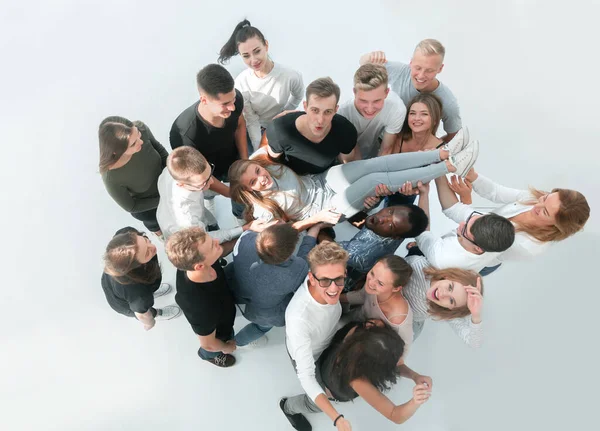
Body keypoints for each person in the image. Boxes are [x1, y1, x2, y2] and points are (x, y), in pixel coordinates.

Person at [229, 137, 479, 230]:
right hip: (326, 208)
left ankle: (441, 154)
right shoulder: (262, 208)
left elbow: (276, 133)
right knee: (375, 180)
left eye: (258, 171)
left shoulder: (258, 159)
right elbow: (285, 231)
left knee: (373, 164)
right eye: (254, 182)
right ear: (248, 190)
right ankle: (449, 167)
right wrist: (315, 220)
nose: (262, 178)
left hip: (322, 181)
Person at [281, 319, 432, 431]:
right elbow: (395, 415)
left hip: (325, 363)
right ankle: (287, 407)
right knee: (315, 404)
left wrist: (414, 376)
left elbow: (393, 365)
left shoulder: (365, 328)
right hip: (326, 384)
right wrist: (415, 401)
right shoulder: (357, 380)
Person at [448, 168, 590, 274]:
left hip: (476, 258)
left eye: (545, 212)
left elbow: (478, 235)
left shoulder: (527, 246)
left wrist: (466, 200)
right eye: (546, 198)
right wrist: (472, 176)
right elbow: (496, 192)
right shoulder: (536, 199)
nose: (537, 205)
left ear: (556, 226)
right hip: (470, 234)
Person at [282, 242, 352, 431]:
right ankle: (288, 407)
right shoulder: (298, 318)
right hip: (310, 354)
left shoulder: (331, 289)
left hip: (328, 340)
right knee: (321, 399)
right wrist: (337, 419)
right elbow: (306, 376)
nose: (334, 288)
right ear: (311, 278)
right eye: (325, 281)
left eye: (339, 279)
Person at [156, 147, 273, 253]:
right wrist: (244, 228)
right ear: (182, 185)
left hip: (198, 216)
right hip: (189, 238)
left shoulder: (173, 168)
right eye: (204, 183)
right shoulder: (187, 218)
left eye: (209, 172)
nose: (211, 182)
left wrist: (230, 193)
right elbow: (204, 239)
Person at [169, 64, 248, 217]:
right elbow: (197, 174)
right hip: (206, 173)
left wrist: (245, 161)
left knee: (242, 195)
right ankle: (210, 199)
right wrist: (229, 193)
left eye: (232, 100)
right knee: (209, 193)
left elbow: (240, 124)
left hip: (232, 158)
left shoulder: (235, 99)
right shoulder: (185, 134)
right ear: (204, 100)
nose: (232, 107)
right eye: (225, 104)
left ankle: (241, 219)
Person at [226, 223, 322, 345]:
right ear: (290, 252)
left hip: (234, 291)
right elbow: (305, 257)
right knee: (261, 327)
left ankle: (230, 343)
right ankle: (237, 342)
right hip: (263, 313)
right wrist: (315, 228)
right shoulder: (295, 271)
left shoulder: (245, 238)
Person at [218, 19, 304, 152]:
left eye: (257, 51)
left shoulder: (290, 75)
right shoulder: (242, 82)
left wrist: (284, 113)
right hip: (255, 130)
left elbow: (298, 96)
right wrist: (260, 148)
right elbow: (251, 120)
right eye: (246, 56)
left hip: (280, 125)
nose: (253, 60)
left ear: (266, 46)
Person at [401, 179, 516, 272]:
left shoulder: (442, 258)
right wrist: (439, 169)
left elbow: (422, 231)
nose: (461, 224)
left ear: (477, 248)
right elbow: (454, 208)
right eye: (471, 218)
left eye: (465, 229)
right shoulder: (494, 232)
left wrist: (424, 194)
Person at [360, 39, 461, 143]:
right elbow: (363, 64)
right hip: (380, 139)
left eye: (429, 70)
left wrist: (431, 147)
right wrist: (370, 57)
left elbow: (455, 137)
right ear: (411, 62)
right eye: (418, 68)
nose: (421, 75)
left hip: (412, 151)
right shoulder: (401, 72)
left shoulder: (448, 102)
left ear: (440, 68)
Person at [167, 227, 239, 368]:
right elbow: (208, 344)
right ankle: (207, 357)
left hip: (224, 300)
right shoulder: (198, 308)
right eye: (213, 245)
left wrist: (248, 233)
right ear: (200, 266)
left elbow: (220, 252)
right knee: (211, 349)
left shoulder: (197, 262)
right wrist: (225, 347)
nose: (217, 242)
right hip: (220, 332)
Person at [263, 77, 358, 175]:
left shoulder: (345, 131)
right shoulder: (280, 130)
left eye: (328, 112)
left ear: (335, 110)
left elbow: (348, 165)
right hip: (291, 178)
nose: (320, 120)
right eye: (315, 110)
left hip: (327, 178)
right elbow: (271, 163)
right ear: (305, 106)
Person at [99, 116, 168, 237]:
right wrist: (164, 199)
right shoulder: (111, 177)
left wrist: (174, 171)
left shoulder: (141, 128)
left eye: (138, 135)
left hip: (168, 184)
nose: (141, 142)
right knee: (160, 228)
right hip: (149, 209)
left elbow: (159, 149)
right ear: (116, 151)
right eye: (134, 143)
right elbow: (132, 206)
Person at [102, 227, 181, 330]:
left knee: (146, 295)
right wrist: (149, 323)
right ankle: (157, 313)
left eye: (145, 240)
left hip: (117, 284)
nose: (152, 247)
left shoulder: (125, 235)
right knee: (146, 309)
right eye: (147, 252)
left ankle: (151, 292)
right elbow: (142, 314)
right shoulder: (138, 295)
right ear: (136, 267)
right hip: (125, 302)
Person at [403, 254, 484, 347]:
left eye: (451, 300)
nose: (443, 295)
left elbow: (474, 343)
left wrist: (476, 315)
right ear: (447, 276)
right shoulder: (417, 265)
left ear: (450, 308)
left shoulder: (445, 310)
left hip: (410, 322)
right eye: (450, 287)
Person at [342, 256, 414, 358]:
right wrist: (333, 296)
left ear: (396, 288)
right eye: (372, 273)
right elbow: (361, 296)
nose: (371, 282)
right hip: (352, 319)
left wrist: (413, 375)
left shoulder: (398, 321)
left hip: (360, 344)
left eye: (380, 283)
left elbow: (400, 355)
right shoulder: (373, 286)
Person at [385, 93, 449, 207]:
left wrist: (414, 189)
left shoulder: (440, 149)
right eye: (412, 113)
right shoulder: (398, 136)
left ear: (434, 120)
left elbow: (433, 182)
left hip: (407, 192)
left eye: (424, 114)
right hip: (385, 183)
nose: (416, 118)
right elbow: (386, 166)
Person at [337, 63, 406, 161]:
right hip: (343, 161)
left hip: (373, 156)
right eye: (363, 101)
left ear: (387, 92)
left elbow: (386, 149)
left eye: (377, 101)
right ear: (354, 92)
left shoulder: (396, 108)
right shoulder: (342, 112)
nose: (370, 109)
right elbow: (346, 156)